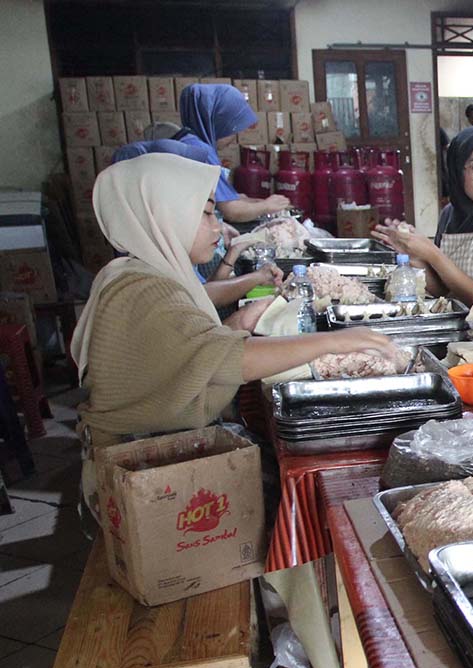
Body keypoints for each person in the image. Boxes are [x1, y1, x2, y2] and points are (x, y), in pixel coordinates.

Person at [73, 154, 395, 514]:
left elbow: (184, 355)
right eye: (207, 213)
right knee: (302, 501)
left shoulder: (139, 273)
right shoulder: (146, 289)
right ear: (163, 214)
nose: (217, 227)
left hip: (142, 454)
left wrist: (238, 323)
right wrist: (341, 340)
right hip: (139, 476)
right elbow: (228, 360)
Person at [372, 126, 473, 303]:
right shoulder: (449, 214)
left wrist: (432, 253)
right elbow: (443, 289)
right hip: (459, 324)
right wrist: (415, 258)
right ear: (457, 171)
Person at [112, 138, 283, 306]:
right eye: (206, 212)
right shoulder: (155, 289)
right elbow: (201, 298)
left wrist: (234, 254)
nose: (217, 227)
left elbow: (200, 295)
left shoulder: (167, 257)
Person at [178, 83, 291, 222]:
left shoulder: (187, 141)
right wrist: (267, 206)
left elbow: (221, 198)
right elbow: (232, 211)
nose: (234, 138)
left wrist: (248, 201)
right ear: (219, 123)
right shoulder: (200, 152)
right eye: (232, 129)